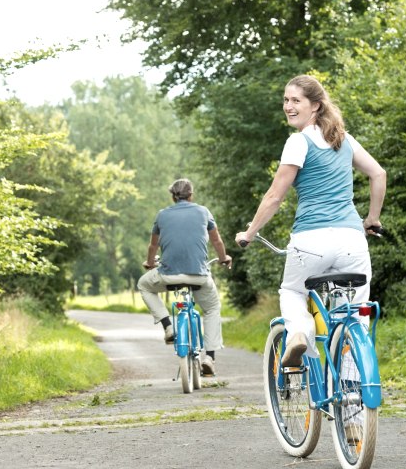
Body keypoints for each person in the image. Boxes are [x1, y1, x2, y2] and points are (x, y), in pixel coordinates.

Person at [235, 74, 386, 370]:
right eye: (286, 100)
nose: (288, 106)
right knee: (354, 317)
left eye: (296, 101)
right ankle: (354, 400)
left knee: (292, 292)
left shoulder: (298, 142)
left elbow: (274, 197)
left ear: (315, 106)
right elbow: (378, 174)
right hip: (352, 241)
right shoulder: (343, 139)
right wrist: (372, 219)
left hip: (311, 240)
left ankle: (299, 334)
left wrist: (250, 233)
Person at [138, 178, 232, 376]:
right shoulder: (203, 212)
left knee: (144, 285)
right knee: (212, 308)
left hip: (167, 275)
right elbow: (217, 241)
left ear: (173, 196)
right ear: (191, 194)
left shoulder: (162, 215)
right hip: (198, 276)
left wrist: (150, 263)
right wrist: (224, 258)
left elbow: (153, 246)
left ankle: (168, 327)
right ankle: (210, 357)